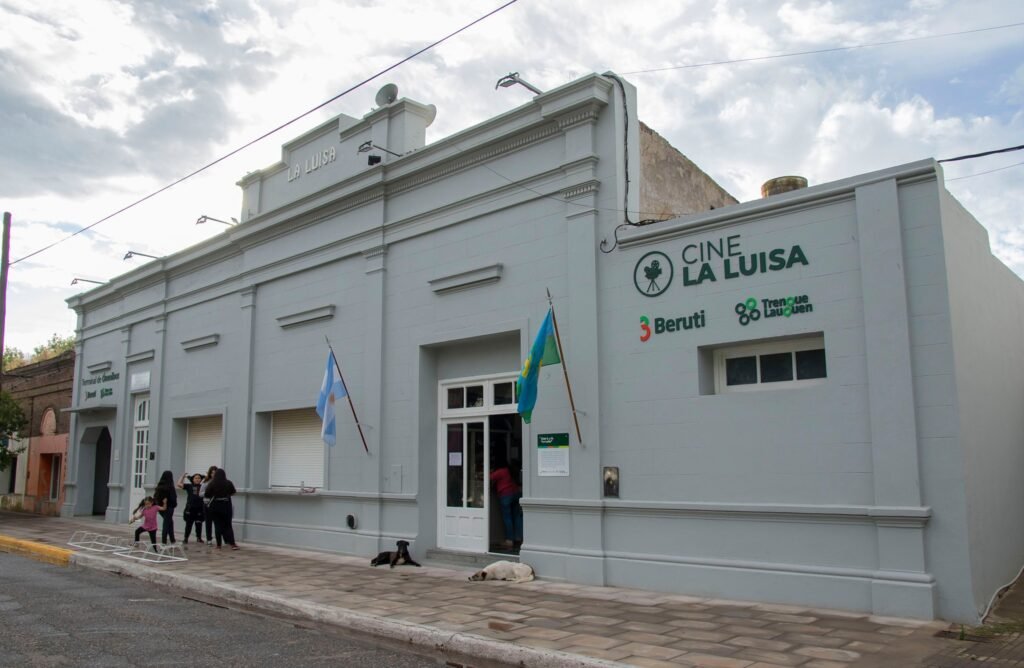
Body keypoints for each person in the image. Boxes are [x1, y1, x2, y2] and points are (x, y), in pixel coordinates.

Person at [489, 459, 523, 549]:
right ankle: (519, 538)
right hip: (516, 493)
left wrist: (491, 471)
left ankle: (509, 540)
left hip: (506, 495)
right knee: (517, 517)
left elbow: (489, 477)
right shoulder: (510, 470)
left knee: (507, 518)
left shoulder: (500, 471)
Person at [203, 468, 238, 550]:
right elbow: (233, 492)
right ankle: (232, 544)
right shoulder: (228, 483)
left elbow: (207, 494)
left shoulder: (212, 483)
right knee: (228, 525)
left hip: (215, 506)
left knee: (217, 525)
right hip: (226, 505)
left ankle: (218, 545)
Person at [177, 472, 205, 544]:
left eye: (199, 478)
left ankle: (199, 538)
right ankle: (186, 538)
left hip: (200, 508)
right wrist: (183, 476)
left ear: (201, 479)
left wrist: (209, 477)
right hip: (190, 508)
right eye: (196, 478)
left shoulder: (203, 486)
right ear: (193, 479)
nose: (197, 479)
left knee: (199, 524)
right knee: (188, 524)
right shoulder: (189, 486)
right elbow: (179, 484)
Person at [152, 470, 178, 545]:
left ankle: (172, 540)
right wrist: (173, 505)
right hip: (169, 508)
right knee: (166, 524)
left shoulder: (159, 486)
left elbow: (155, 497)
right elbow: (173, 498)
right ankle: (164, 541)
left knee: (170, 523)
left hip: (161, 508)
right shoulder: (170, 487)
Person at [200, 465, 218, 545]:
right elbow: (200, 493)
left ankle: (219, 539)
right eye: (212, 473)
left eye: (215, 473)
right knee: (208, 522)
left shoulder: (219, 482)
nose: (213, 474)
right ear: (210, 473)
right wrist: (208, 493)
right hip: (207, 504)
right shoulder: (206, 482)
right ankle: (209, 539)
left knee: (217, 522)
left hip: (217, 504)